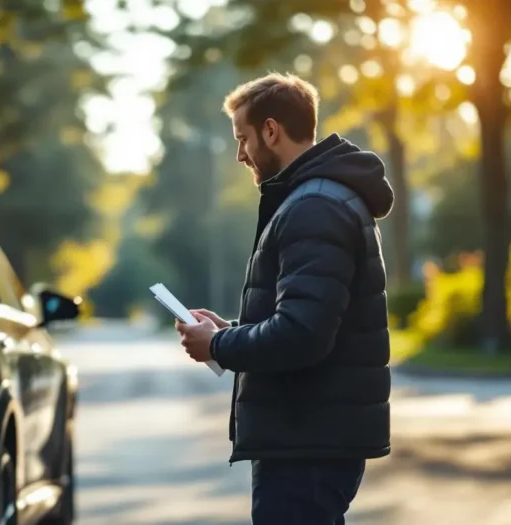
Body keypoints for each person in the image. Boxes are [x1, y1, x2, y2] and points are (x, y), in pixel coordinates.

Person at [175, 72, 394, 525]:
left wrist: (217, 345)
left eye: (243, 139)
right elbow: (311, 319)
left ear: (271, 131)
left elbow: (302, 335)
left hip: (308, 442)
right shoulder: (315, 200)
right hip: (310, 437)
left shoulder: (314, 207)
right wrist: (231, 331)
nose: (240, 155)